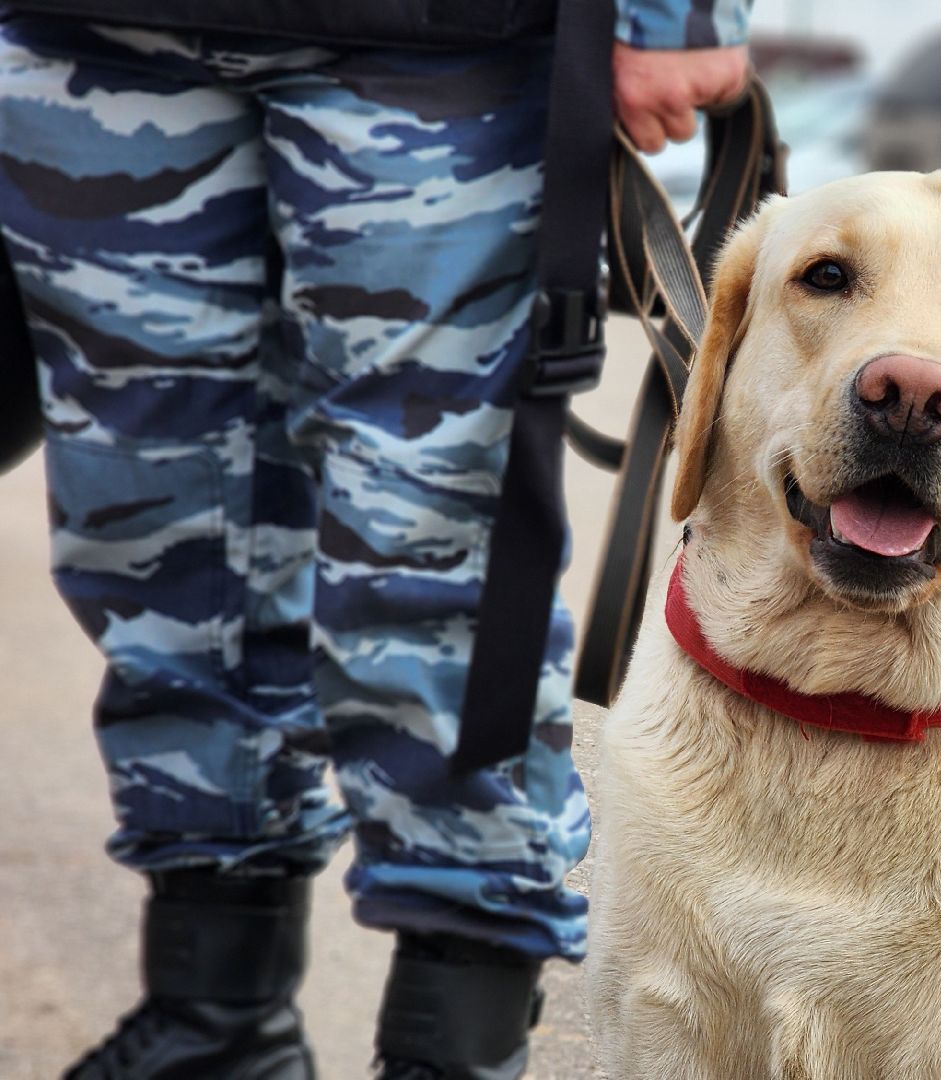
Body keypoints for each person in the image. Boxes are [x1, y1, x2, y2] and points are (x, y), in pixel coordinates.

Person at [0, 1, 748, 1076]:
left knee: (430, 557)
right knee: (156, 544)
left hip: (445, 44)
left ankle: (454, 1051)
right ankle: (215, 1032)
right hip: (93, 32)